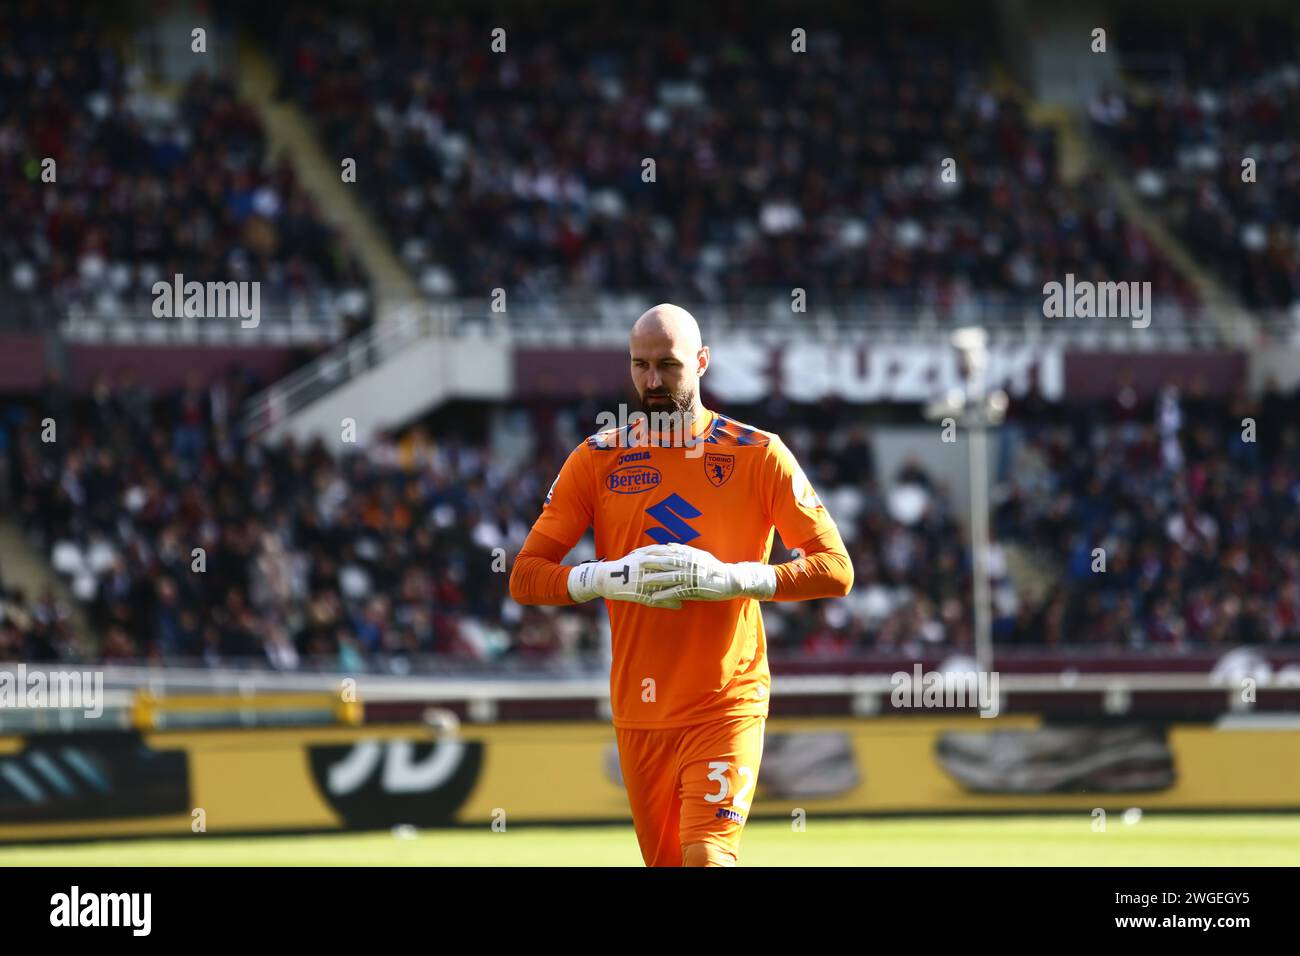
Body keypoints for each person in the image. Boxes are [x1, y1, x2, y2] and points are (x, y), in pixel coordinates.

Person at [510, 304, 853, 866]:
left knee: (707, 857)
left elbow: (835, 568)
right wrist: (604, 577)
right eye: (639, 365)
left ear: (701, 362)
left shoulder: (758, 453)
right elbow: (526, 576)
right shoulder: (595, 459)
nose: (652, 381)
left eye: (667, 365)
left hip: (727, 699)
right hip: (641, 708)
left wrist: (734, 579)